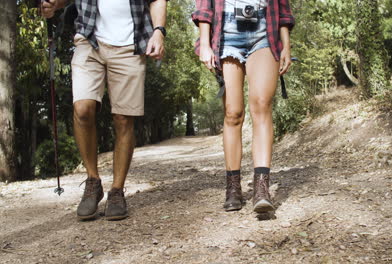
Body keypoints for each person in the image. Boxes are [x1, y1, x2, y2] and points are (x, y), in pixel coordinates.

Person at [41, 0, 169, 220]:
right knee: (82, 109)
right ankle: (93, 181)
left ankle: (117, 191)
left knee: (123, 118)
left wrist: (158, 32)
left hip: (130, 46)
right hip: (89, 40)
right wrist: (53, 5)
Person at [192, 0, 294, 213]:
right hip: (226, 33)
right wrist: (204, 43)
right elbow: (204, 6)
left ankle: (261, 188)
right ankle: (233, 188)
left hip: (264, 31)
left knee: (262, 105)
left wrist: (286, 44)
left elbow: (283, 8)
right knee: (233, 113)